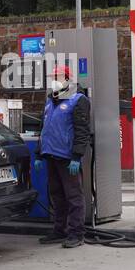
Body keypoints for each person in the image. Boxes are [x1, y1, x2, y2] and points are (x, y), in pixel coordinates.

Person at [38, 63, 90, 248]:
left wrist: (77, 157)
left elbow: (82, 131)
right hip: (51, 154)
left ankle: (77, 233)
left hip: (67, 157)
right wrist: (39, 153)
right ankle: (59, 230)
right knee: (57, 196)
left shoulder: (78, 100)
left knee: (73, 196)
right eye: (53, 77)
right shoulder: (50, 101)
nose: (54, 81)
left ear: (67, 79)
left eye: (58, 77)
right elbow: (44, 128)